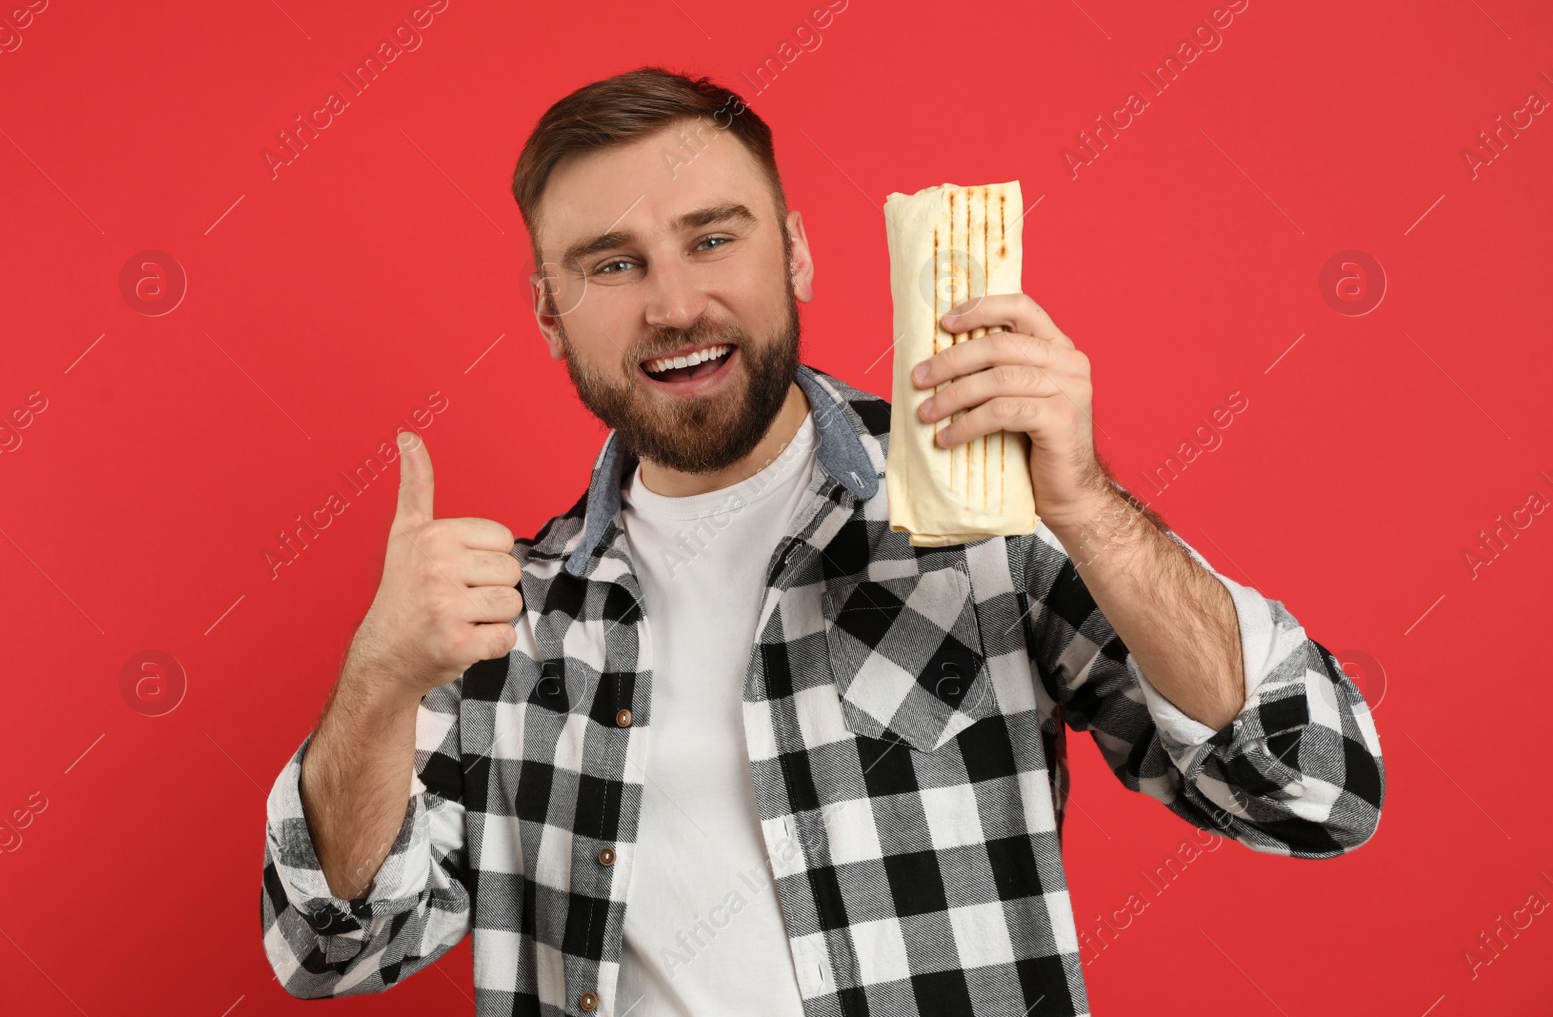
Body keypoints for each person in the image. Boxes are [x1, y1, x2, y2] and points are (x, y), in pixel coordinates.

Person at [260, 66, 1384, 1017]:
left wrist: (1086, 504)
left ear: (793, 254)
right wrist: (380, 674)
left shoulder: (986, 510)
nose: (673, 301)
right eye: (611, 264)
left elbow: (1313, 788)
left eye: (714, 238)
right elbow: (332, 947)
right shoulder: (504, 616)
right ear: (551, 312)